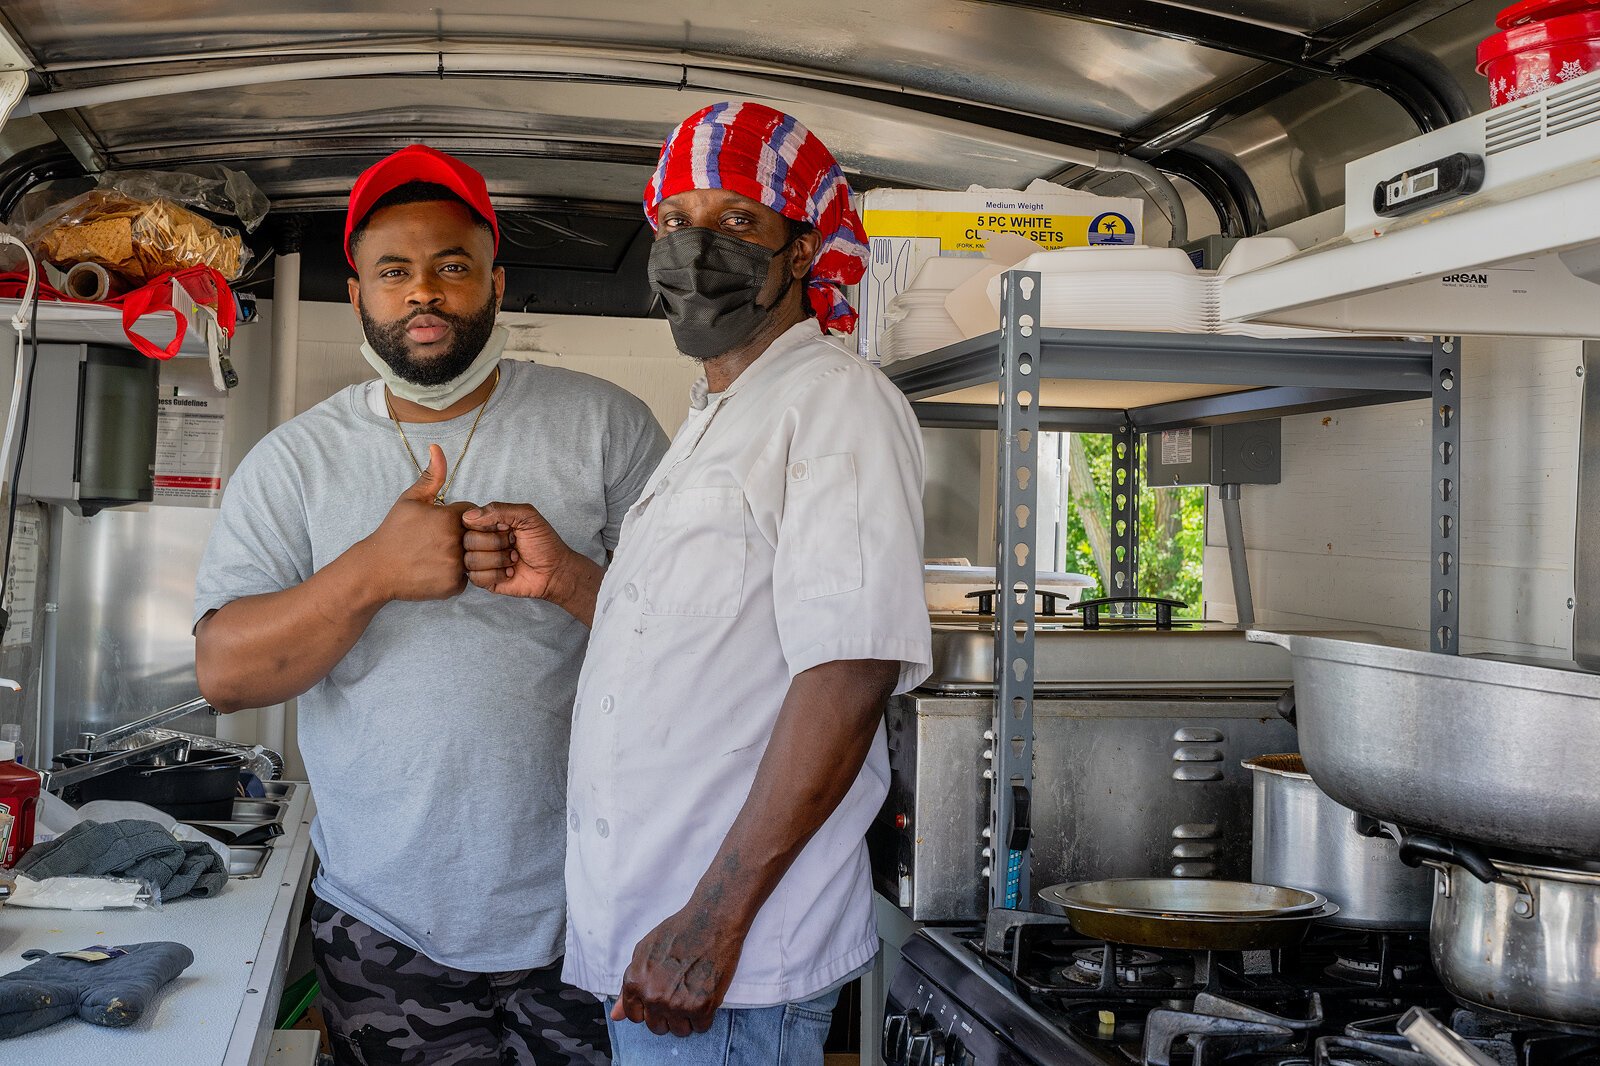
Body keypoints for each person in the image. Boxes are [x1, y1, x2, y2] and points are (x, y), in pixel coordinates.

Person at [462, 102, 932, 1063]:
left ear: (801, 252)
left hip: (731, 965)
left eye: (738, 221)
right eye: (675, 220)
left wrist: (711, 925)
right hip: (656, 942)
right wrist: (570, 584)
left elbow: (847, 676)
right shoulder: (723, 413)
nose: (693, 247)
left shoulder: (835, 403)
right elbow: (710, 642)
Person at [192, 144, 667, 1066]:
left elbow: (696, 650)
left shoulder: (607, 426)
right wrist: (373, 569)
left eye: (452, 266)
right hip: (388, 921)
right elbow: (226, 674)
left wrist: (569, 576)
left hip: (593, 909)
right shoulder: (296, 461)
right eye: (394, 271)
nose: (425, 293)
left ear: (497, 277)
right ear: (359, 289)